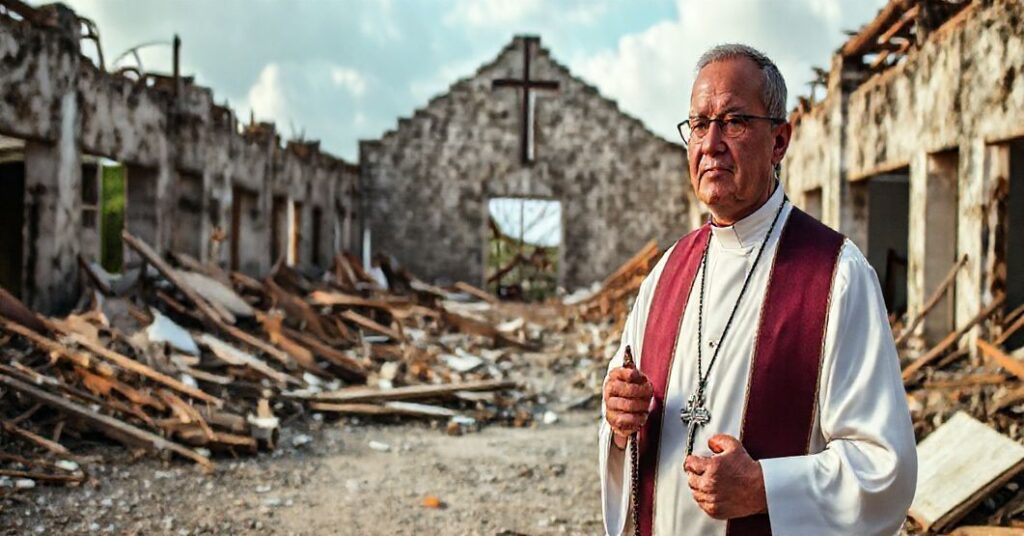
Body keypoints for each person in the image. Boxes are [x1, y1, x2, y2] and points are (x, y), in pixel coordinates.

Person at [599, 44, 917, 536]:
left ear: (779, 141)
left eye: (735, 121)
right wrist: (619, 423)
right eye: (699, 124)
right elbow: (626, 420)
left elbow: (884, 470)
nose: (711, 143)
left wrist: (765, 487)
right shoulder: (665, 274)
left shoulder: (837, 276)